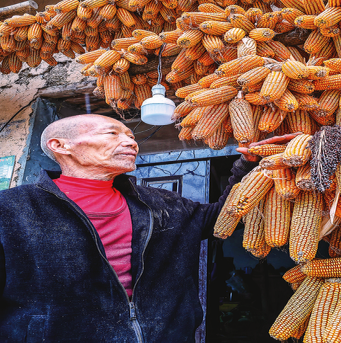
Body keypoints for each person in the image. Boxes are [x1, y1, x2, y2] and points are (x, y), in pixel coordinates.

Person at [0, 113, 297, 343]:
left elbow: (220, 218)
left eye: (131, 135)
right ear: (60, 145)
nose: (131, 142)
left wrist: (248, 165)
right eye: (112, 133)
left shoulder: (159, 202)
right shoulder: (12, 210)